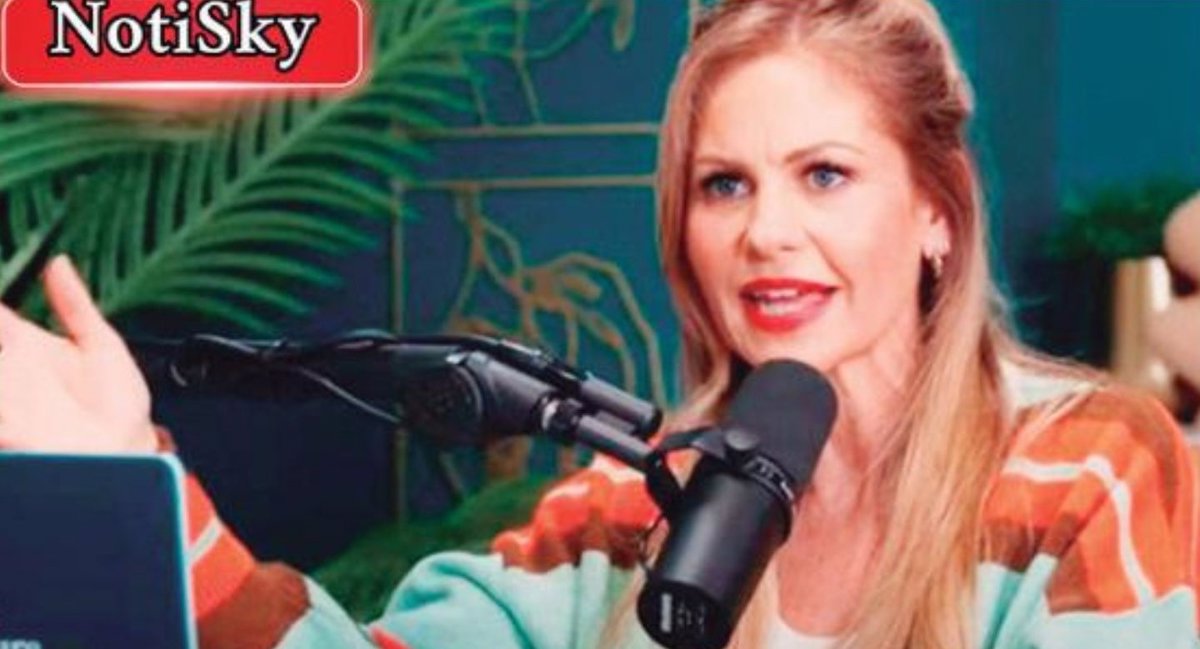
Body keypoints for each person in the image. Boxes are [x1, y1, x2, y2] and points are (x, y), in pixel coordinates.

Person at [1, 0, 1197, 647]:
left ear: (938, 211)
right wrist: (133, 477)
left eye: (825, 174)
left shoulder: (1085, 465)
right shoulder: (626, 507)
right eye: (724, 185)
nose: (766, 231)